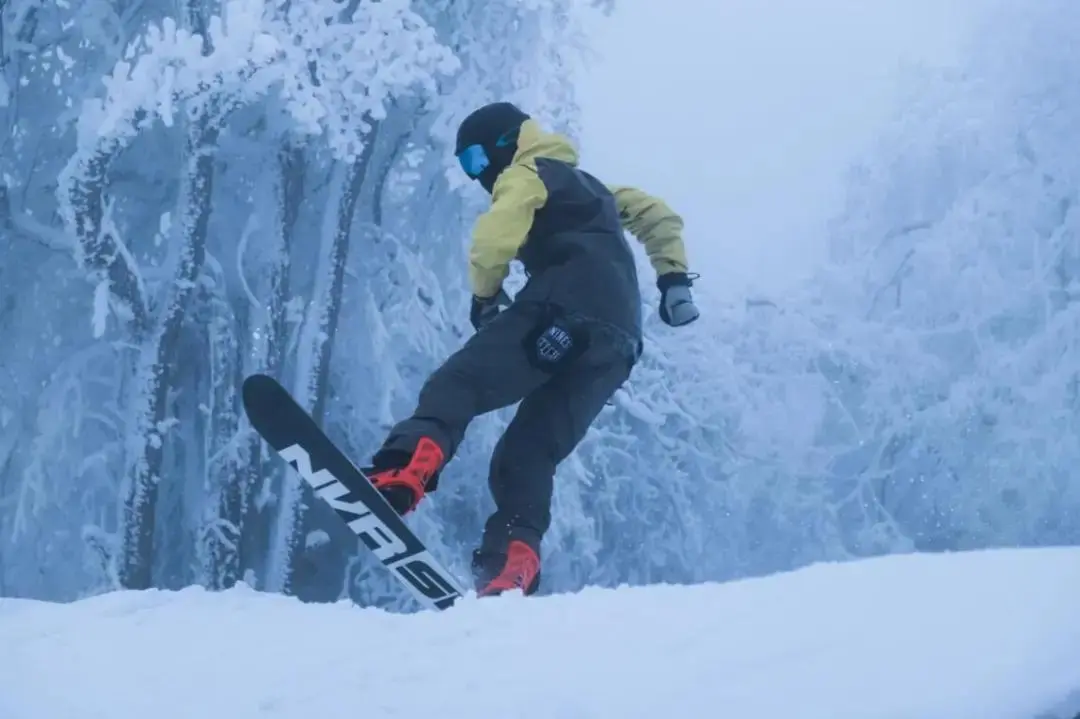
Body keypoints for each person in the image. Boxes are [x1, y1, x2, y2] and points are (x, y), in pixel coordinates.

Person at [362, 101, 700, 598]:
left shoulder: (528, 172)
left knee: (457, 384)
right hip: (618, 344)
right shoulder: (598, 192)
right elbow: (659, 215)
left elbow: (495, 236)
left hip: (561, 309)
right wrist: (673, 279)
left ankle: (403, 468)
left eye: (476, 161)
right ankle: (512, 561)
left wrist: (485, 296)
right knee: (527, 452)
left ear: (505, 142)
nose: (478, 175)